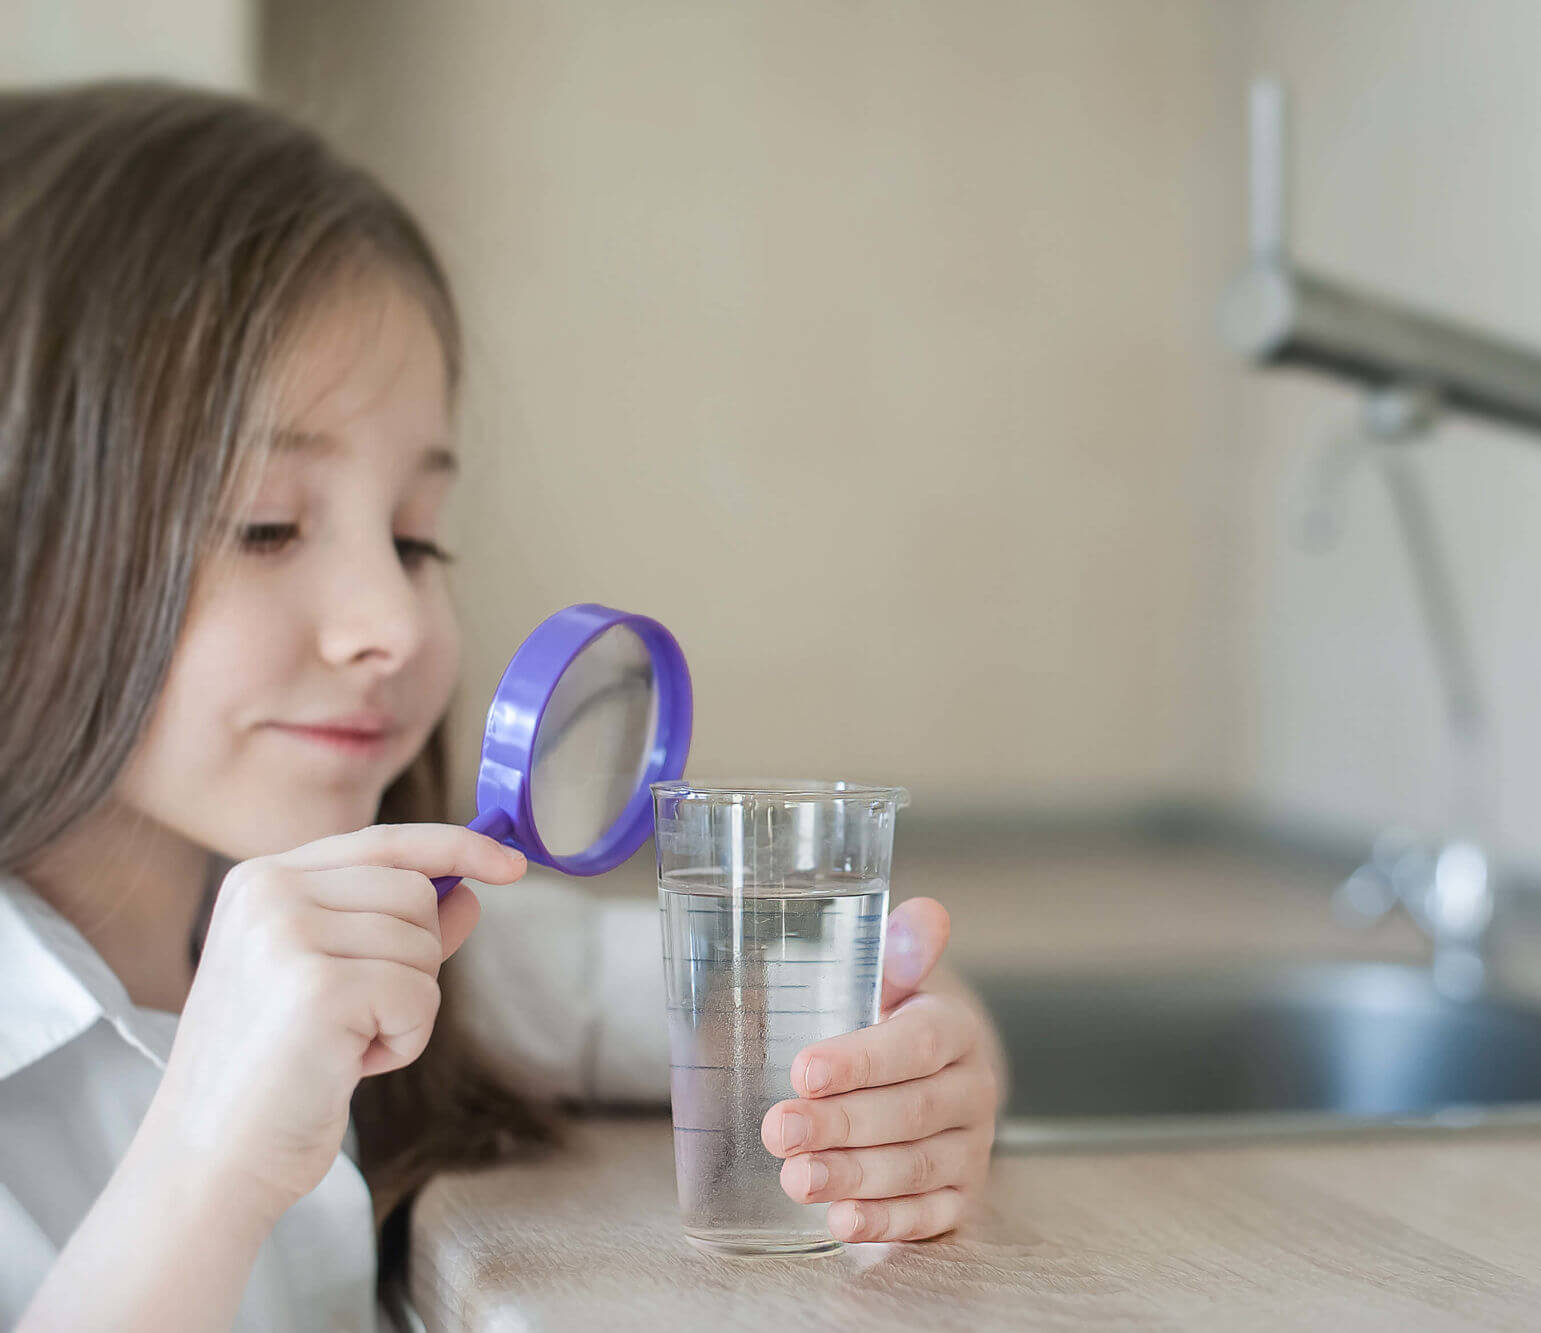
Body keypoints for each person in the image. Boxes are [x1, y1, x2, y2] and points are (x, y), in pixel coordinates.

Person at [0, 81, 1004, 1331]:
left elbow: (861, 1002)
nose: (398, 617)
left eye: (417, 540)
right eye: (266, 524)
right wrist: (207, 1154)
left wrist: (923, 1080)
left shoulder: (425, 940)